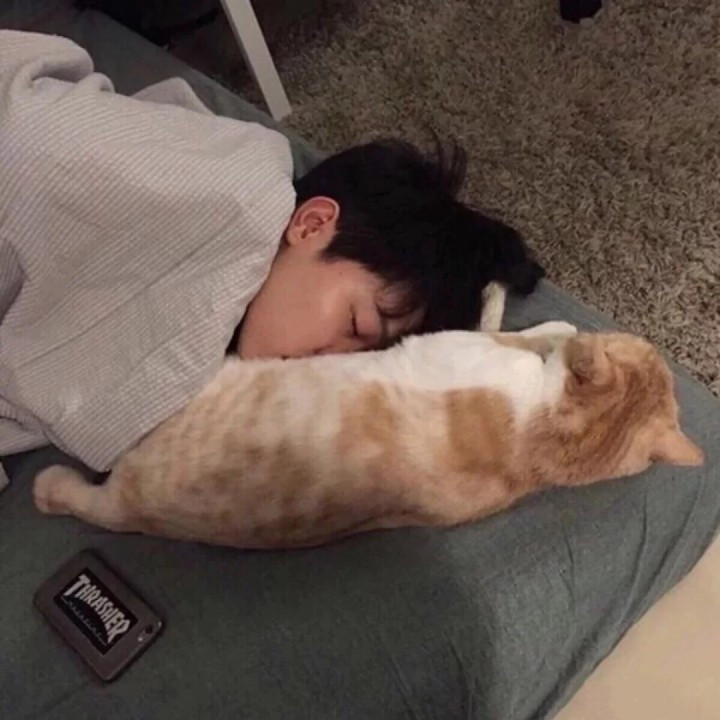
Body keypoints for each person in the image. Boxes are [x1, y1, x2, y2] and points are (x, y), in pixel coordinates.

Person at [0, 30, 541, 476]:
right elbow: (33, 145)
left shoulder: (239, 320)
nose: (330, 361)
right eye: (355, 324)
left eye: (361, 357)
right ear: (312, 224)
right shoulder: (238, 198)